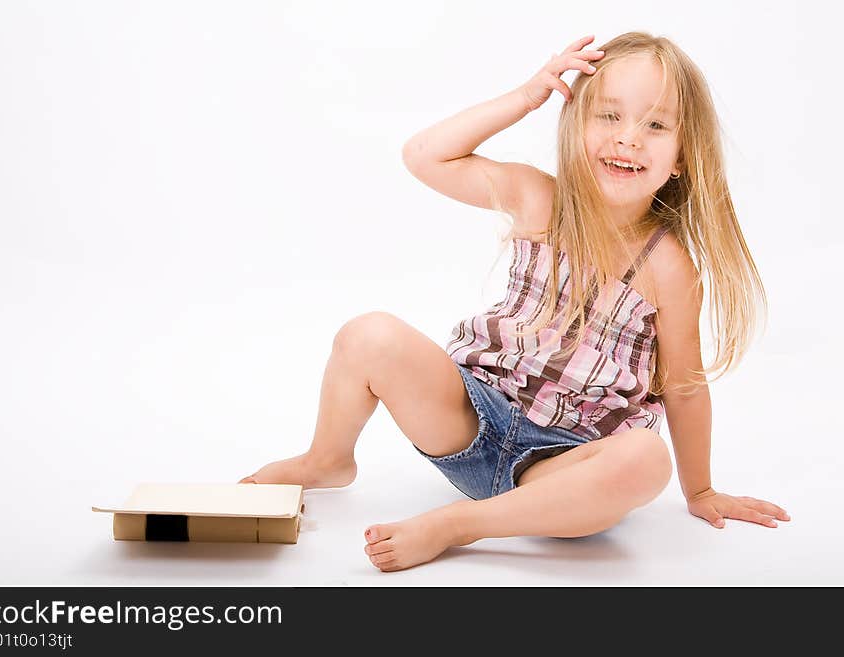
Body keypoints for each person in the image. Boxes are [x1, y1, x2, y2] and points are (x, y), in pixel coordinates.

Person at [238, 31, 790, 572]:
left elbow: (685, 389)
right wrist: (529, 95)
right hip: (473, 422)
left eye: (655, 124)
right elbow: (425, 156)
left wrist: (702, 489)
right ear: (575, 126)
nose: (628, 138)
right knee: (368, 334)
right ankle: (328, 458)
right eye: (609, 115)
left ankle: (459, 525)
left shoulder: (669, 266)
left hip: (560, 471)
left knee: (646, 459)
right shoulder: (538, 197)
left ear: (681, 159)